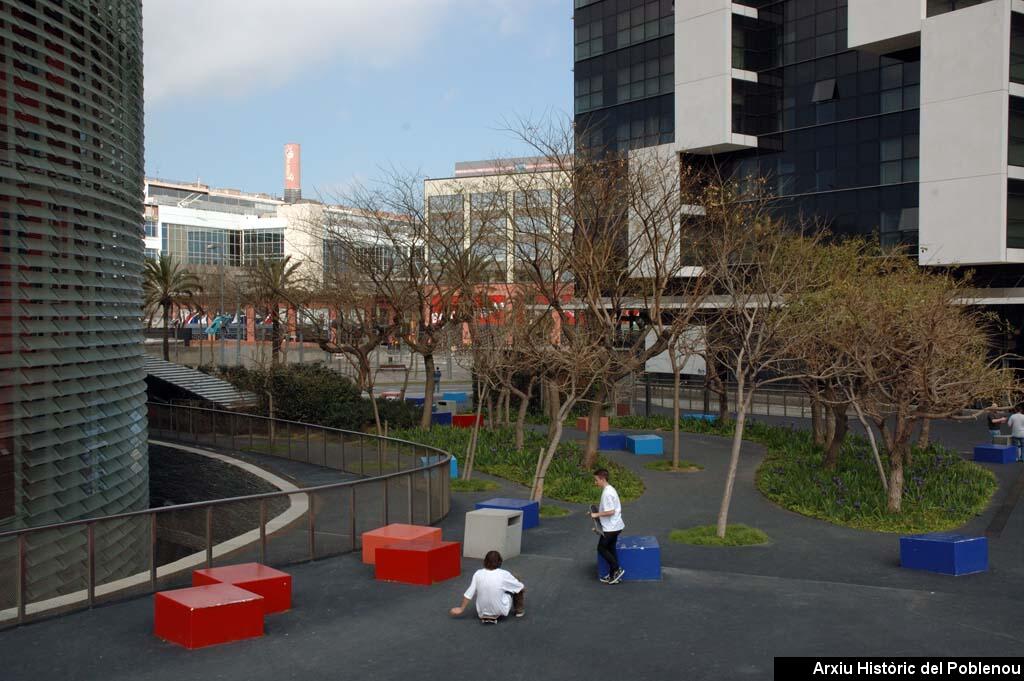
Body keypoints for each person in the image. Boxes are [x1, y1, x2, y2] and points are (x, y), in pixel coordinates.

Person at [449, 550, 525, 623]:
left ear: (485, 561)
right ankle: (519, 611)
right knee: (516, 580)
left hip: (481, 612)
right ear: (499, 562)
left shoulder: (478, 573)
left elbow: (469, 593)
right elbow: (520, 587)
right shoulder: (504, 574)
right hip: (501, 610)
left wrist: (461, 608)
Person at [591, 468, 625, 585]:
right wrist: (596, 514)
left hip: (611, 528)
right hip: (616, 526)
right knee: (611, 548)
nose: (595, 482)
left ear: (602, 479)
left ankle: (616, 569)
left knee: (601, 548)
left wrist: (596, 514)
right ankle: (613, 576)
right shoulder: (610, 489)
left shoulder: (607, 493)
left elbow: (610, 511)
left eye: (596, 480)